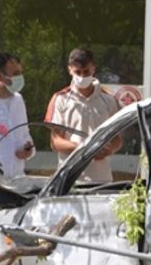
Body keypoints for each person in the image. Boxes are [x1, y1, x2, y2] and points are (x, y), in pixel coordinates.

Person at [46, 48, 122, 183]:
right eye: (77, 72)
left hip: (101, 179)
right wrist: (85, 149)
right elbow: (55, 142)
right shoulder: (60, 99)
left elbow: (117, 139)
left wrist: (108, 150)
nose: (82, 77)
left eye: (86, 71)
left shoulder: (108, 99)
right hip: (68, 179)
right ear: (70, 70)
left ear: (93, 68)